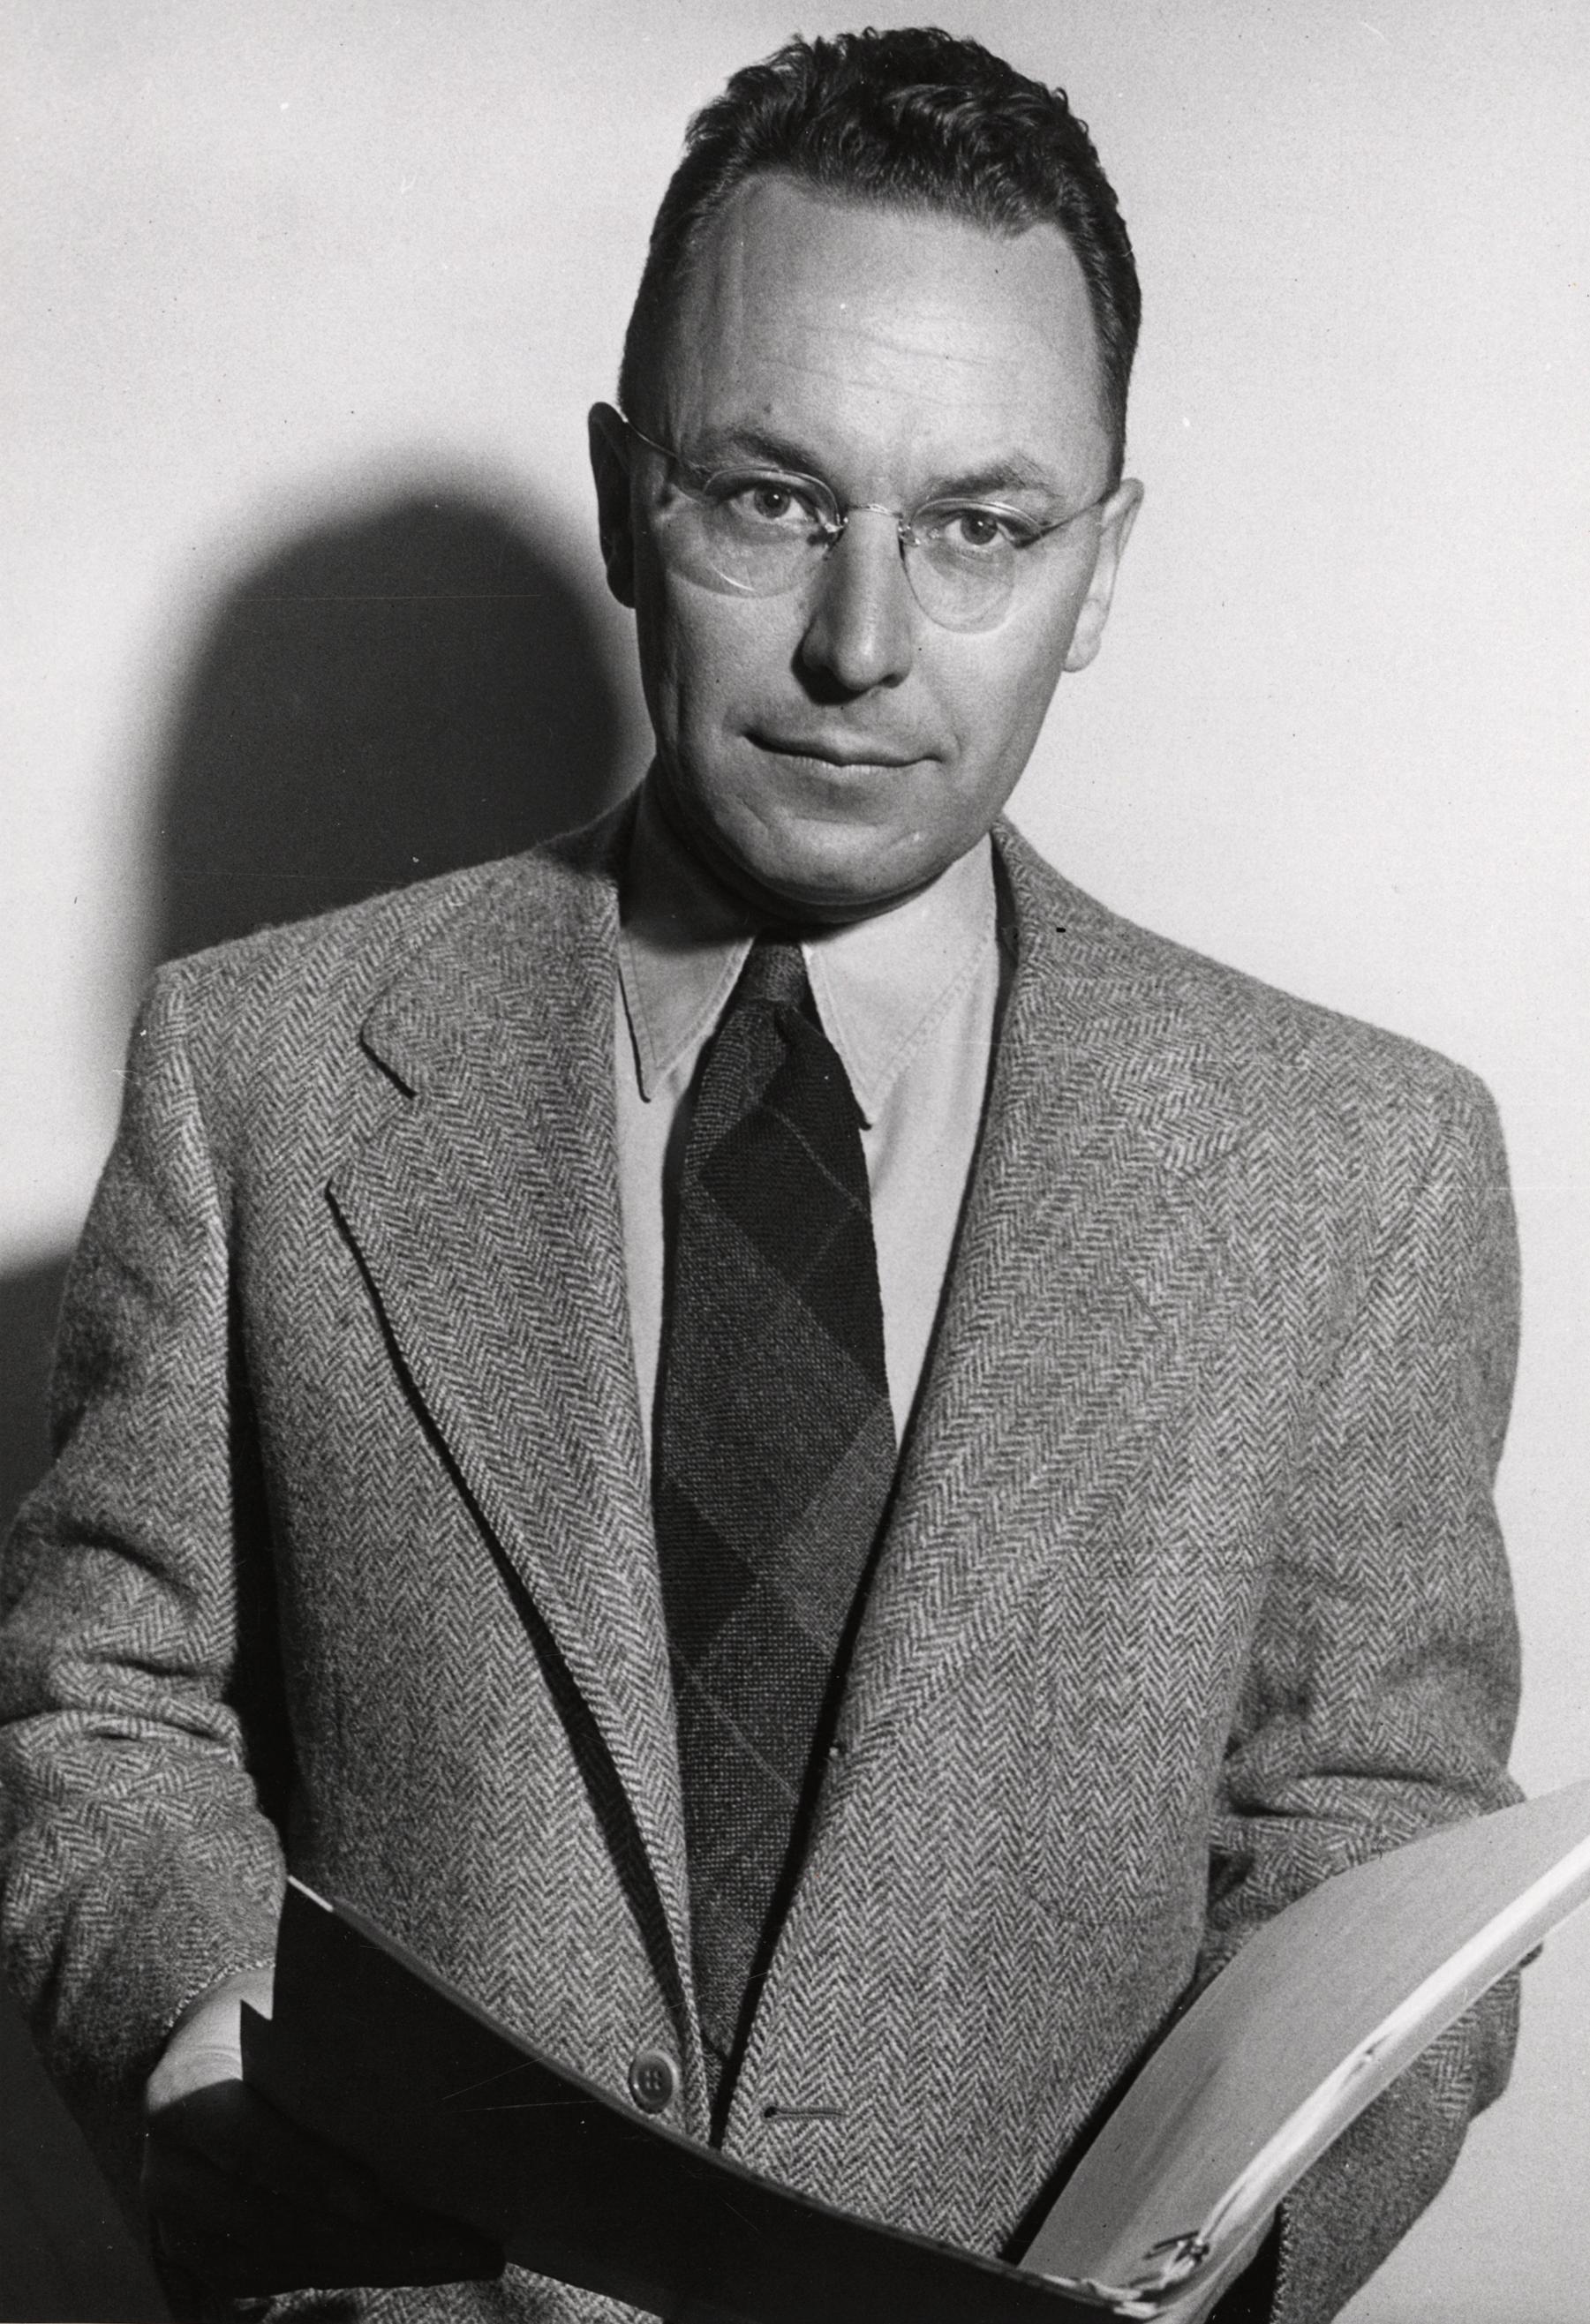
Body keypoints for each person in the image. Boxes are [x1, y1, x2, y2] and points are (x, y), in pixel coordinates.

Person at [0, 27, 1522, 2324]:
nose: (860, 645)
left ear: (1104, 565)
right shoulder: (261, 1072)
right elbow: (101, 1702)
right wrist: (203, 2044)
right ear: (629, 500)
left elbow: (1373, 1840)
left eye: (979, 526)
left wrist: (1204, 2282)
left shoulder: (1358, 1173)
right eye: (773, 498)